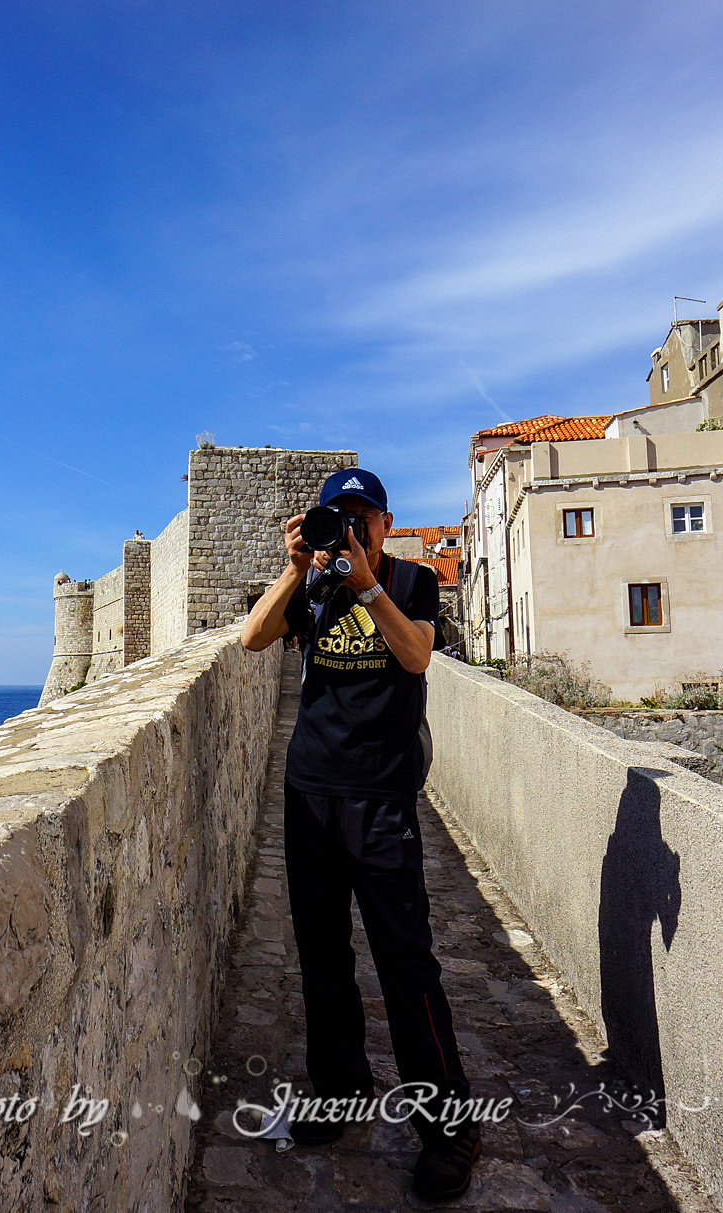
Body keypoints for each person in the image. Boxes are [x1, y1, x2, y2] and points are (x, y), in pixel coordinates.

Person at [240, 467, 480, 1200]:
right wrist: (295, 569)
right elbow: (253, 637)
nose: (350, 529)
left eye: (362, 517)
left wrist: (368, 582)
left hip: (380, 798)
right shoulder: (312, 590)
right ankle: (340, 1088)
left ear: (385, 520)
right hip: (310, 792)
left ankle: (448, 1125)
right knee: (321, 954)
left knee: (405, 961)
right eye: (337, 517)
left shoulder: (410, 583)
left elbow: (415, 655)